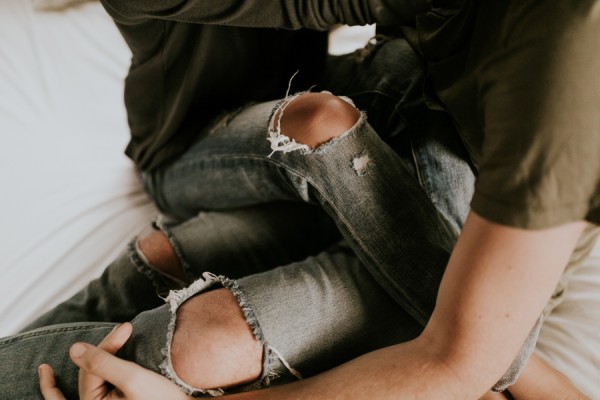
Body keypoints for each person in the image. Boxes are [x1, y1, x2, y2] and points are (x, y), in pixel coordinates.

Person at [1, 1, 597, 399]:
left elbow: (457, 360)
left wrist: (492, 351)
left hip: (481, 229)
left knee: (199, 341)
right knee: (171, 264)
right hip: (383, 136)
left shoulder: (562, 77)